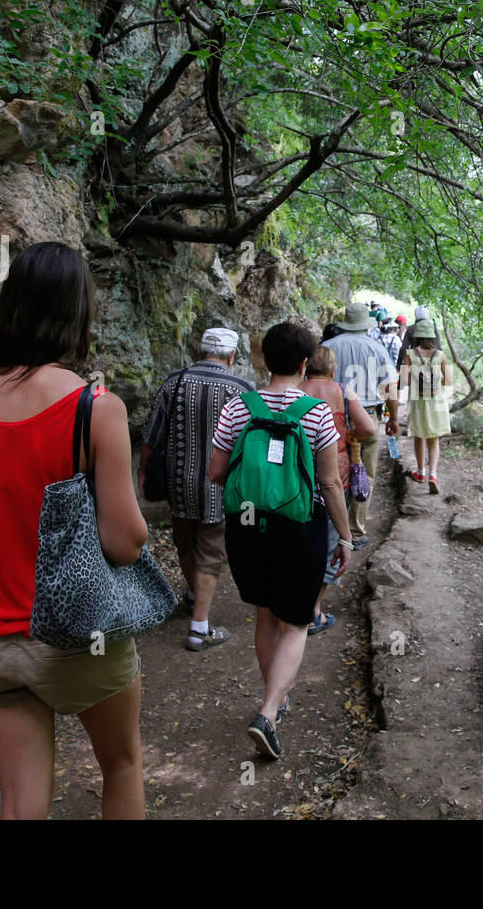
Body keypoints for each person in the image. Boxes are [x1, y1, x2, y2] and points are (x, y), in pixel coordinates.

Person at [0, 241, 148, 819]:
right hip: (78, 641)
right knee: (123, 766)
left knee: (20, 806)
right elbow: (125, 541)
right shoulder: (96, 408)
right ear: (77, 312)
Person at [208, 323, 354, 759]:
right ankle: (269, 711)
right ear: (305, 364)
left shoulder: (238, 408)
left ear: (262, 361)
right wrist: (344, 537)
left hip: (247, 526)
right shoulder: (315, 412)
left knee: (266, 616)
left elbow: (217, 473)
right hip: (299, 527)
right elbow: (329, 484)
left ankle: (276, 697)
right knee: (297, 622)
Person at [139, 327, 253, 652]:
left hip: (178, 483)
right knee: (211, 551)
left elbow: (151, 436)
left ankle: (192, 594)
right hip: (218, 486)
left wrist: (142, 472)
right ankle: (199, 628)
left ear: (200, 351)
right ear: (232, 356)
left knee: (185, 543)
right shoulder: (242, 390)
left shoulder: (174, 381)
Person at [300, 344, 376, 635]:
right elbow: (368, 429)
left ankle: (296, 598)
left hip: (299, 474)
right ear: (333, 370)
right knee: (331, 542)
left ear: (305, 366)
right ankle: (313, 611)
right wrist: (346, 433)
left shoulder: (296, 390)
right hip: (336, 474)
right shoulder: (343, 392)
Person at [323, 302, 399, 547]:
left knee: (329, 472)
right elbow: (390, 387)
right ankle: (355, 531)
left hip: (330, 416)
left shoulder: (327, 348)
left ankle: (330, 525)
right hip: (366, 417)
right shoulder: (377, 349)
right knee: (365, 473)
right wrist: (393, 418)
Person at [405, 318, 453, 494]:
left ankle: (420, 472)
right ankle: (433, 474)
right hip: (437, 401)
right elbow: (448, 381)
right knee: (434, 439)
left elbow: (403, 380)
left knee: (419, 436)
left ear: (416, 336)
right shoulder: (441, 356)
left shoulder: (410, 355)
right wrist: (435, 379)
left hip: (418, 401)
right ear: (433, 336)